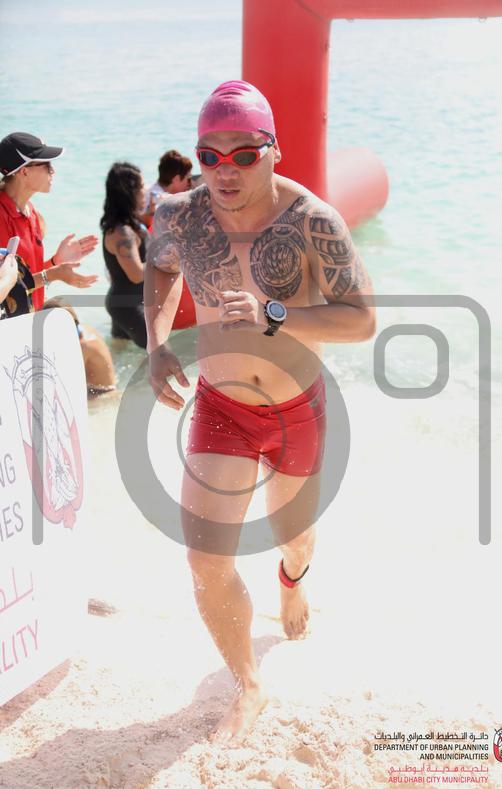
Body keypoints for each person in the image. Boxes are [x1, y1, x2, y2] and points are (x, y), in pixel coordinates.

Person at [144, 80, 375, 744]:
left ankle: (293, 579)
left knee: (292, 536)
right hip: (221, 408)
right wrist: (157, 343)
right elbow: (161, 271)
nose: (225, 170)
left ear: (274, 150)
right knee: (205, 560)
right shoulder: (178, 216)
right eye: (209, 155)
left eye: (243, 154)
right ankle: (248, 685)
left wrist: (275, 313)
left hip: (295, 407)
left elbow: (363, 319)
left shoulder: (312, 222)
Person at [0, 132, 98, 310]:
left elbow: (25, 277)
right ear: (24, 171)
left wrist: (55, 261)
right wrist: (52, 275)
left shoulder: (32, 213)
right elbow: (7, 288)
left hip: (29, 318)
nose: (53, 171)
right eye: (46, 164)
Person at [101, 162, 149, 348]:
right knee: (160, 353)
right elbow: (136, 275)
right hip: (128, 306)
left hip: (122, 302)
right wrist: (169, 259)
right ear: (130, 192)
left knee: (120, 354)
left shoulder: (123, 225)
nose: (145, 191)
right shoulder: (122, 233)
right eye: (142, 186)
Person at [43, 297, 117, 398]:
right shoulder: (85, 328)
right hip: (99, 389)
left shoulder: (83, 346)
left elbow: (64, 381)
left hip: (100, 395)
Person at [140, 149, 193, 227]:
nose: (190, 184)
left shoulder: (150, 191)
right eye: (188, 179)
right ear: (177, 179)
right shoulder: (160, 200)